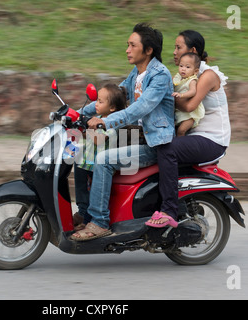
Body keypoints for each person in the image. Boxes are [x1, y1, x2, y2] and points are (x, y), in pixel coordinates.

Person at [71, 23, 175, 241]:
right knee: (80, 153)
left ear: (148, 50)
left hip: (155, 144)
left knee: (103, 159)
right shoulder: (137, 73)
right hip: (135, 137)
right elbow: (114, 97)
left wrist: (105, 122)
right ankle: (86, 211)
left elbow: (140, 107)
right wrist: (75, 113)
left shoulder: (160, 75)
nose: (127, 49)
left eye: (132, 45)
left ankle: (99, 222)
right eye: (127, 45)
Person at [145, 30, 230, 228]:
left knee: (168, 149)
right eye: (174, 47)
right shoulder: (184, 75)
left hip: (212, 140)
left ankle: (169, 211)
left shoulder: (208, 75)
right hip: (195, 136)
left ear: (192, 51)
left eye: (178, 47)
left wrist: (165, 99)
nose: (174, 52)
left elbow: (190, 106)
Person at [73, 84, 127, 231]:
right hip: (86, 162)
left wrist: (89, 128)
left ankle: (88, 219)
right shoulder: (96, 118)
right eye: (97, 100)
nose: (96, 104)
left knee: (93, 192)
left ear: (112, 108)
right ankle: (82, 211)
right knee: (80, 186)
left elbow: (99, 140)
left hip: (98, 165)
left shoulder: (112, 123)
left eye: (100, 102)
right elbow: (87, 136)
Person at [171, 52, 205, 136]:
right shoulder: (177, 78)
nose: (183, 69)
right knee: (176, 131)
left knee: (181, 131)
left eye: (187, 67)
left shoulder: (191, 80)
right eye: (181, 66)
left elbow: (193, 92)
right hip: (179, 112)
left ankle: (180, 147)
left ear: (195, 71)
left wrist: (181, 95)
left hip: (190, 115)